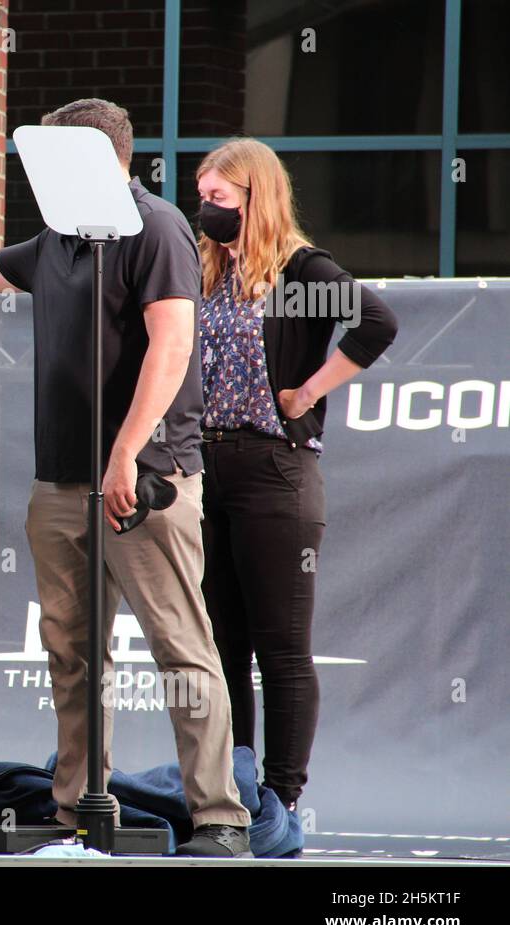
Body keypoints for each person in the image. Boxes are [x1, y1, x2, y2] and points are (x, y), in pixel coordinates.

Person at [0, 99, 253, 856]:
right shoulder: (61, 235)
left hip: (146, 477)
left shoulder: (155, 227)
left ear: (101, 158)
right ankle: (77, 809)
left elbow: (172, 346)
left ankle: (221, 818)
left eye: (59, 157)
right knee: (72, 651)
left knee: (181, 648)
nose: (42, 175)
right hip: (61, 483)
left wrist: (127, 451)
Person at [193, 139, 397, 813]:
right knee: (223, 650)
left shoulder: (301, 270)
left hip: (275, 468)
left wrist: (309, 391)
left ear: (257, 198)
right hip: (208, 466)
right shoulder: (207, 274)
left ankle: (281, 801)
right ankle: (232, 796)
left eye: (219, 200)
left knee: (280, 648)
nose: (206, 210)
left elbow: (376, 322)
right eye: (201, 198)